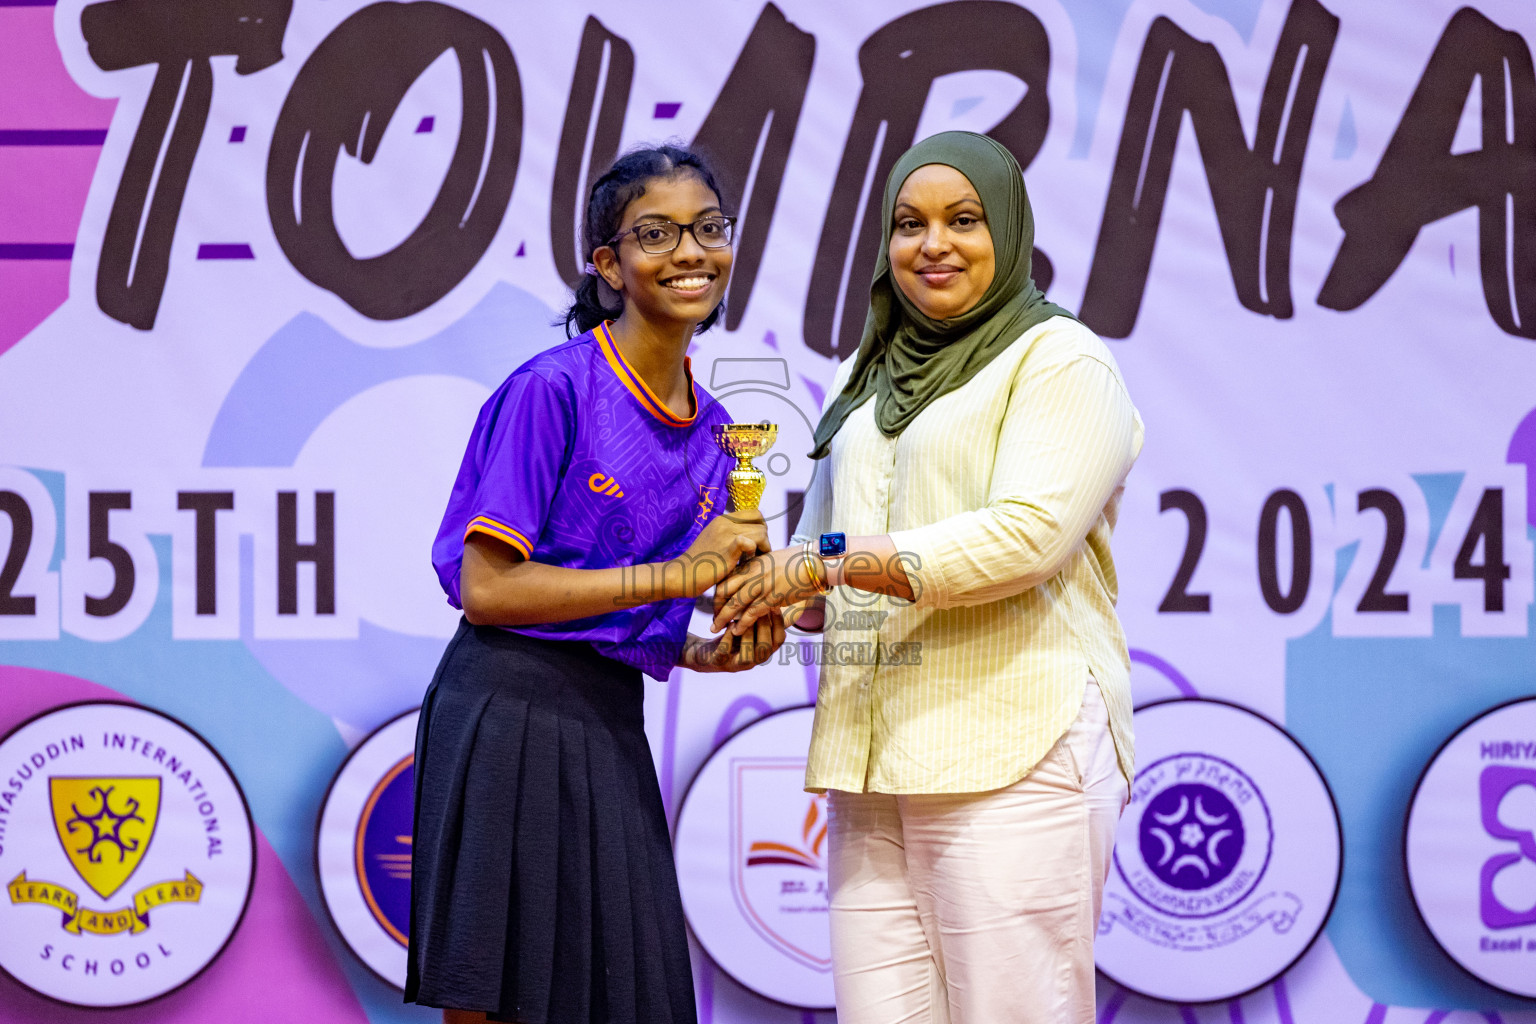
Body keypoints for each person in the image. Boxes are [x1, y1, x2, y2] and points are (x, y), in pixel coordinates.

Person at [713, 130, 1143, 1024]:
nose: (933, 244)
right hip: (876, 763)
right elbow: (822, 551)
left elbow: (1024, 540)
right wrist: (770, 595)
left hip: (1014, 749)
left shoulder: (1059, 360)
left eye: (964, 220)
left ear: (1011, 232)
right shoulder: (865, 373)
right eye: (909, 224)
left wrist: (822, 565)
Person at [408, 143, 787, 1024]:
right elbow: (490, 590)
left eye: (708, 229)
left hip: (610, 717)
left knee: (631, 999)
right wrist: (681, 574)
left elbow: (640, 594)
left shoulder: (720, 431)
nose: (690, 252)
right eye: (657, 233)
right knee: (503, 1004)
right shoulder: (554, 390)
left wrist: (708, 642)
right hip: (509, 711)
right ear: (607, 262)